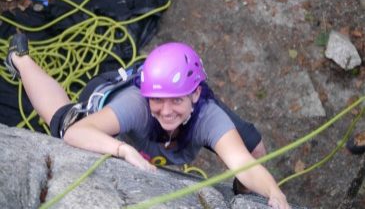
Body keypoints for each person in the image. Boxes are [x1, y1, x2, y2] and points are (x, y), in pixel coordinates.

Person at [5, 33, 290, 209]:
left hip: (185, 108)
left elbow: (244, 163)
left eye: (175, 100)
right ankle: (20, 59)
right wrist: (121, 149)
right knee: (64, 120)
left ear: (195, 95)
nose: (166, 111)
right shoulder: (137, 104)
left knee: (254, 147)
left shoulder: (207, 115)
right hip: (112, 97)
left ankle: (241, 194)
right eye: (159, 100)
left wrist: (274, 193)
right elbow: (77, 133)